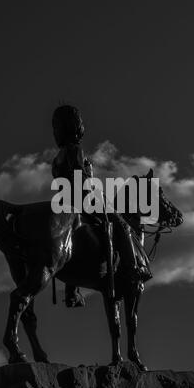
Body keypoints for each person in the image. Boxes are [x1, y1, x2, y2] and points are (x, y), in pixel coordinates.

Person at [51, 104, 152, 308]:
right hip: (83, 198)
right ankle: (133, 267)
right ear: (77, 126)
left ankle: (72, 291)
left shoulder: (58, 156)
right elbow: (80, 177)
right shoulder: (75, 150)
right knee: (121, 223)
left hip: (64, 201)